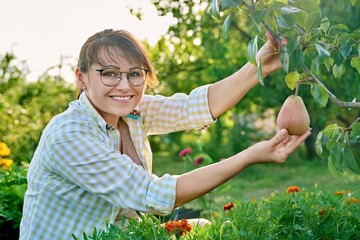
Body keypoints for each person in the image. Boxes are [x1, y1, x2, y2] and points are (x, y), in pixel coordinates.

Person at [19, 29, 311, 239]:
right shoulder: (69, 135)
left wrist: (259, 65)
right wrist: (250, 155)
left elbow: (193, 107)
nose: (124, 86)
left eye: (135, 74)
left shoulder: (131, 113)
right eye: (109, 73)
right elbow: (154, 195)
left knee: (207, 229)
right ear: (81, 77)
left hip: (118, 235)